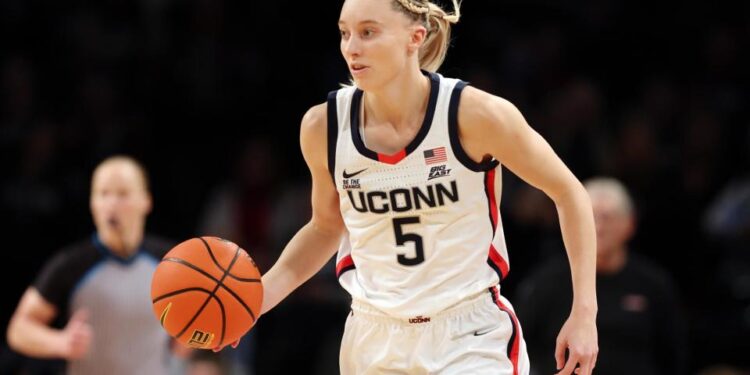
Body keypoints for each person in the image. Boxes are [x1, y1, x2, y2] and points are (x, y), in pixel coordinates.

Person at [219, 1, 599, 374]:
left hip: (467, 333)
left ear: (414, 37)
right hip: (372, 336)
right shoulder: (324, 127)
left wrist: (584, 313)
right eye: (345, 33)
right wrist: (256, 300)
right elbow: (325, 227)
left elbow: (569, 193)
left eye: (368, 32)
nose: (351, 47)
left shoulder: (474, 115)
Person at [6, 156, 187, 375]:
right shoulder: (71, 264)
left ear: (146, 201)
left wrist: (213, 331)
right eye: (103, 193)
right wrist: (60, 342)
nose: (111, 203)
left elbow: (182, 346)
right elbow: (18, 329)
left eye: (123, 194)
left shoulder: (172, 261)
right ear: (93, 204)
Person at [515, 177, 687, 375]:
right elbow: (520, 344)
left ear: (630, 224)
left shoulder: (654, 284)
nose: (598, 227)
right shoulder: (546, 281)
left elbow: (673, 355)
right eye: (590, 217)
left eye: (607, 217)